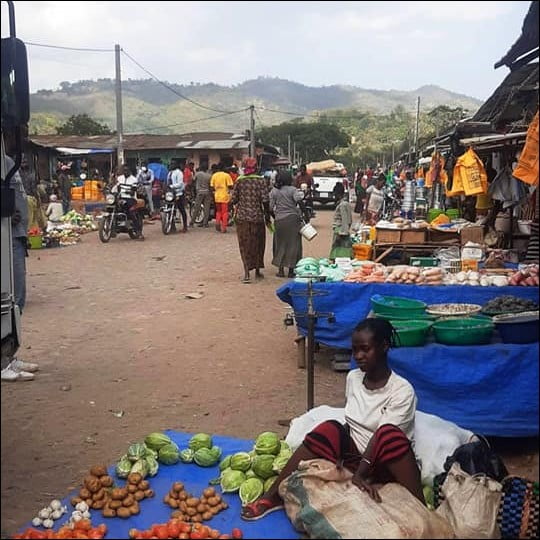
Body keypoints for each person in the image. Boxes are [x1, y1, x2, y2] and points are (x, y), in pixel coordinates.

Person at [241, 318, 424, 520]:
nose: (359, 356)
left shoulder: (401, 390)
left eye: (365, 349)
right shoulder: (353, 378)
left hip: (387, 464)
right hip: (357, 460)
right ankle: (271, 497)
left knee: (389, 434)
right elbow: (354, 423)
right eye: (355, 350)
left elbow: (381, 438)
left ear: (384, 346)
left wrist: (360, 475)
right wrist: (337, 442)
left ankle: (423, 509)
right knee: (330, 427)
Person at [1, 154, 39, 382]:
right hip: (6, 234)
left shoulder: (6, 160)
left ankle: (8, 354)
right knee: (6, 300)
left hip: (15, 236)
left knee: (16, 298)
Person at [231, 157, 271, 283]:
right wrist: (268, 217)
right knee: (258, 244)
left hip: (242, 218)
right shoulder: (261, 181)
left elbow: (234, 200)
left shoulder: (239, 181)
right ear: (256, 168)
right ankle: (258, 271)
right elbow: (265, 200)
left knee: (245, 245)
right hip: (258, 217)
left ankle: (247, 273)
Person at [270, 171, 304, 278]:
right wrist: (305, 215)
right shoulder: (293, 190)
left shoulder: (274, 191)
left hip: (279, 220)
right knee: (294, 245)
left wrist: (275, 217)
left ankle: (280, 270)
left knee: (279, 244)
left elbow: (270, 208)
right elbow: (300, 202)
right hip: (293, 220)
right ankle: (291, 270)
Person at [112, 165, 145, 239]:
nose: (125, 172)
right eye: (124, 170)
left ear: (130, 171)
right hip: (120, 197)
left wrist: (129, 191)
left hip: (130, 199)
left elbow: (134, 190)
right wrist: (111, 191)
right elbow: (116, 187)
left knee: (131, 213)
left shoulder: (134, 179)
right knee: (111, 207)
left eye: (127, 170)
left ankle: (138, 232)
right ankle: (112, 227)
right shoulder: (120, 178)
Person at [329, 182, 353, 260]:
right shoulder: (346, 204)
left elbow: (345, 220)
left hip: (340, 230)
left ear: (338, 194)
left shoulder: (342, 205)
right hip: (343, 230)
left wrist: (342, 233)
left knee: (338, 253)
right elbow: (349, 220)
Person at [210, 163, 233, 233]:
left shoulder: (214, 175)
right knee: (225, 212)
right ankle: (224, 228)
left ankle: (217, 223)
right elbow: (230, 186)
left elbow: (211, 187)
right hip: (225, 196)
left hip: (217, 196)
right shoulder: (226, 175)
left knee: (218, 211)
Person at [167, 162, 188, 232]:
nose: (170, 165)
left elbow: (180, 184)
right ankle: (172, 226)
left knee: (181, 209)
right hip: (170, 194)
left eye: (172, 164)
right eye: (170, 164)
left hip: (178, 193)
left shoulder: (179, 173)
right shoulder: (170, 173)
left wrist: (171, 186)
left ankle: (185, 226)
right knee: (169, 209)